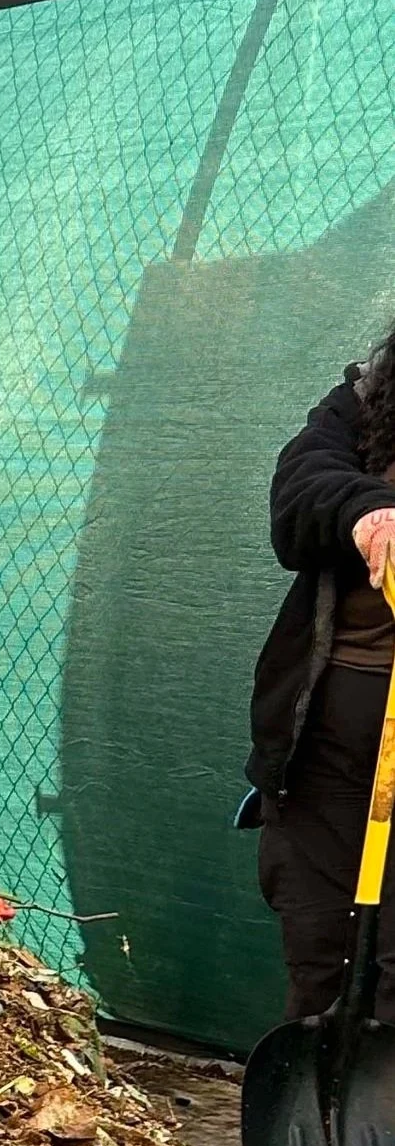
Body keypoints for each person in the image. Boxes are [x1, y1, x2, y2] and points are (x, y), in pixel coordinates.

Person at [256, 344, 395, 1020]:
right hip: (325, 743)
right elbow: (299, 488)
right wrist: (367, 515)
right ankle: (329, 1117)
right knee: (320, 947)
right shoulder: (367, 401)